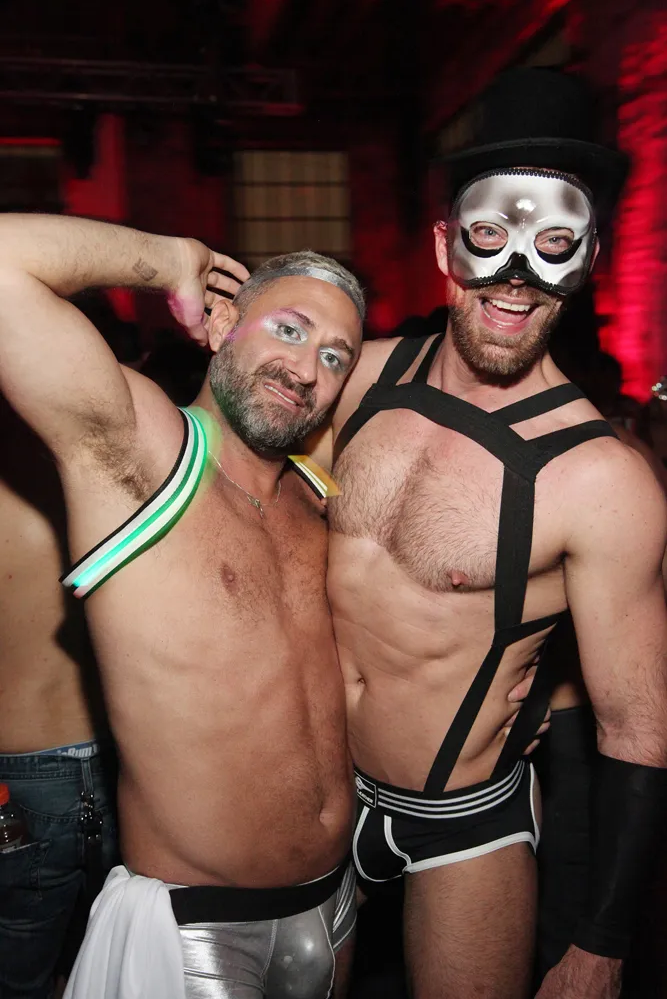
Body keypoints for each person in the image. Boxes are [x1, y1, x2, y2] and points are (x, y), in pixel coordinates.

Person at [316, 68, 667, 999]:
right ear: (444, 244)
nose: (517, 276)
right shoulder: (356, 380)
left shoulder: (601, 480)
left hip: (462, 822)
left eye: (552, 245)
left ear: (586, 260)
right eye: (488, 237)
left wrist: (600, 947)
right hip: (310, 789)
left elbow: (637, 728)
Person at [0, 217, 365, 998]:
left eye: (334, 356)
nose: (306, 369)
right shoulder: (143, 454)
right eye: (289, 329)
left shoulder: (317, 491)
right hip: (197, 933)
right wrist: (168, 260)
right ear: (222, 323)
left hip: (334, 908)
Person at [0, 396, 120, 999]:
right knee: (114, 959)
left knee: (19, 970)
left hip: (20, 778)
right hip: (119, 761)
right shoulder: (113, 473)